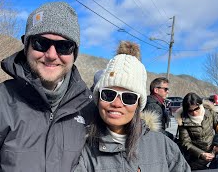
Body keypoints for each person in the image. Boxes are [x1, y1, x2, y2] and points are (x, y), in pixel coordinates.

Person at [0, 2, 96, 172]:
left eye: (64, 46)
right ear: (26, 46)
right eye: (40, 43)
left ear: (74, 53)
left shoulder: (89, 110)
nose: (51, 55)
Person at [74, 41, 190, 172]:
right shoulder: (83, 150)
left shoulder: (163, 146)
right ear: (98, 98)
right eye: (108, 94)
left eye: (129, 97)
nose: (117, 103)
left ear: (138, 104)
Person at [175, 92, 218, 170]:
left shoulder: (210, 113)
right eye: (190, 111)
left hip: (214, 152)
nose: (194, 112)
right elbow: (185, 142)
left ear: (200, 105)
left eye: (196, 109)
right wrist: (201, 154)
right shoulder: (182, 120)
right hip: (195, 157)